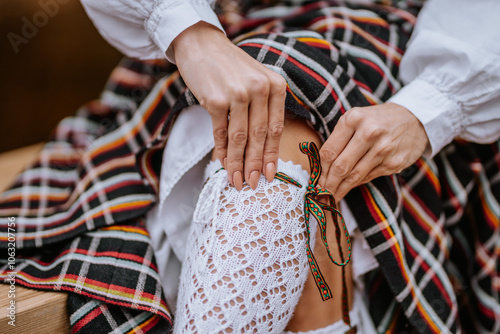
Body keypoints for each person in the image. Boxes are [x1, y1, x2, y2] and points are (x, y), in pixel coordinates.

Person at [0, 0, 499, 333]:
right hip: (205, 49)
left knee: (281, 141)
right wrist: (190, 34)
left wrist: (433, 106)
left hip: (411, 58)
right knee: (266, 133)